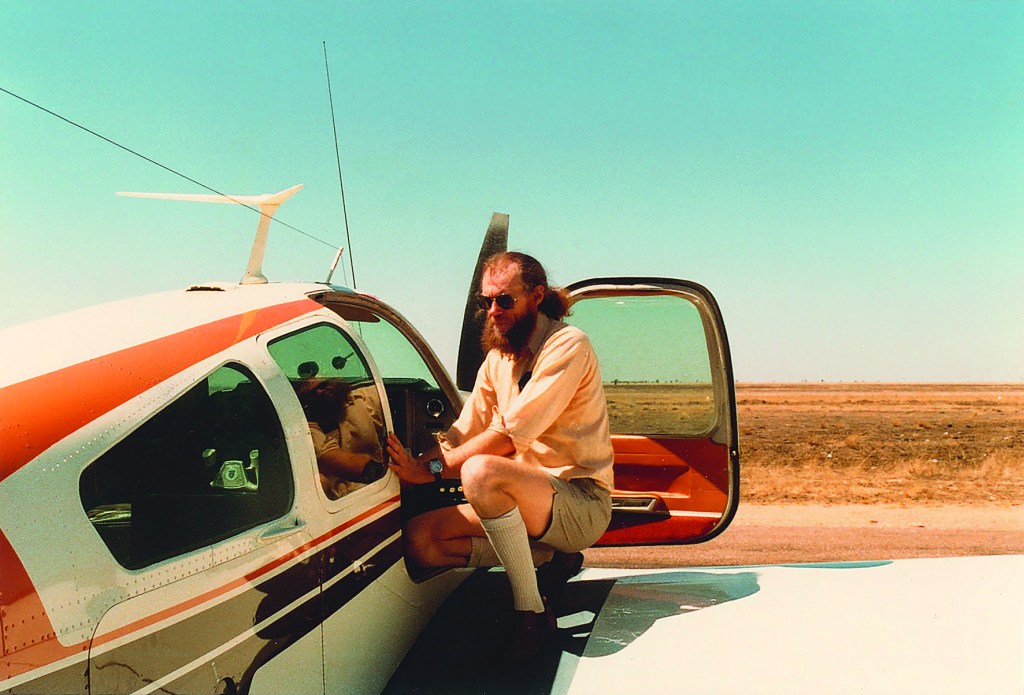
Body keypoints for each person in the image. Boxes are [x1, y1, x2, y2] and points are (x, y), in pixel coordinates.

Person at [387, 251, 614, 660]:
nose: (493, 311)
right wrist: (409, 461)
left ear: (537, 296)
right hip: (518, 504)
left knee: (480, 472)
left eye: (505, 300)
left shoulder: (567, 344)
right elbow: (461, 433)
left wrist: (430, 470)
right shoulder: (498, 360)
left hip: (578, 502)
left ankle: (530, 611)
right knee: (422, 541)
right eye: (486, 301)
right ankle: (549, 559)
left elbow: (508, 438)